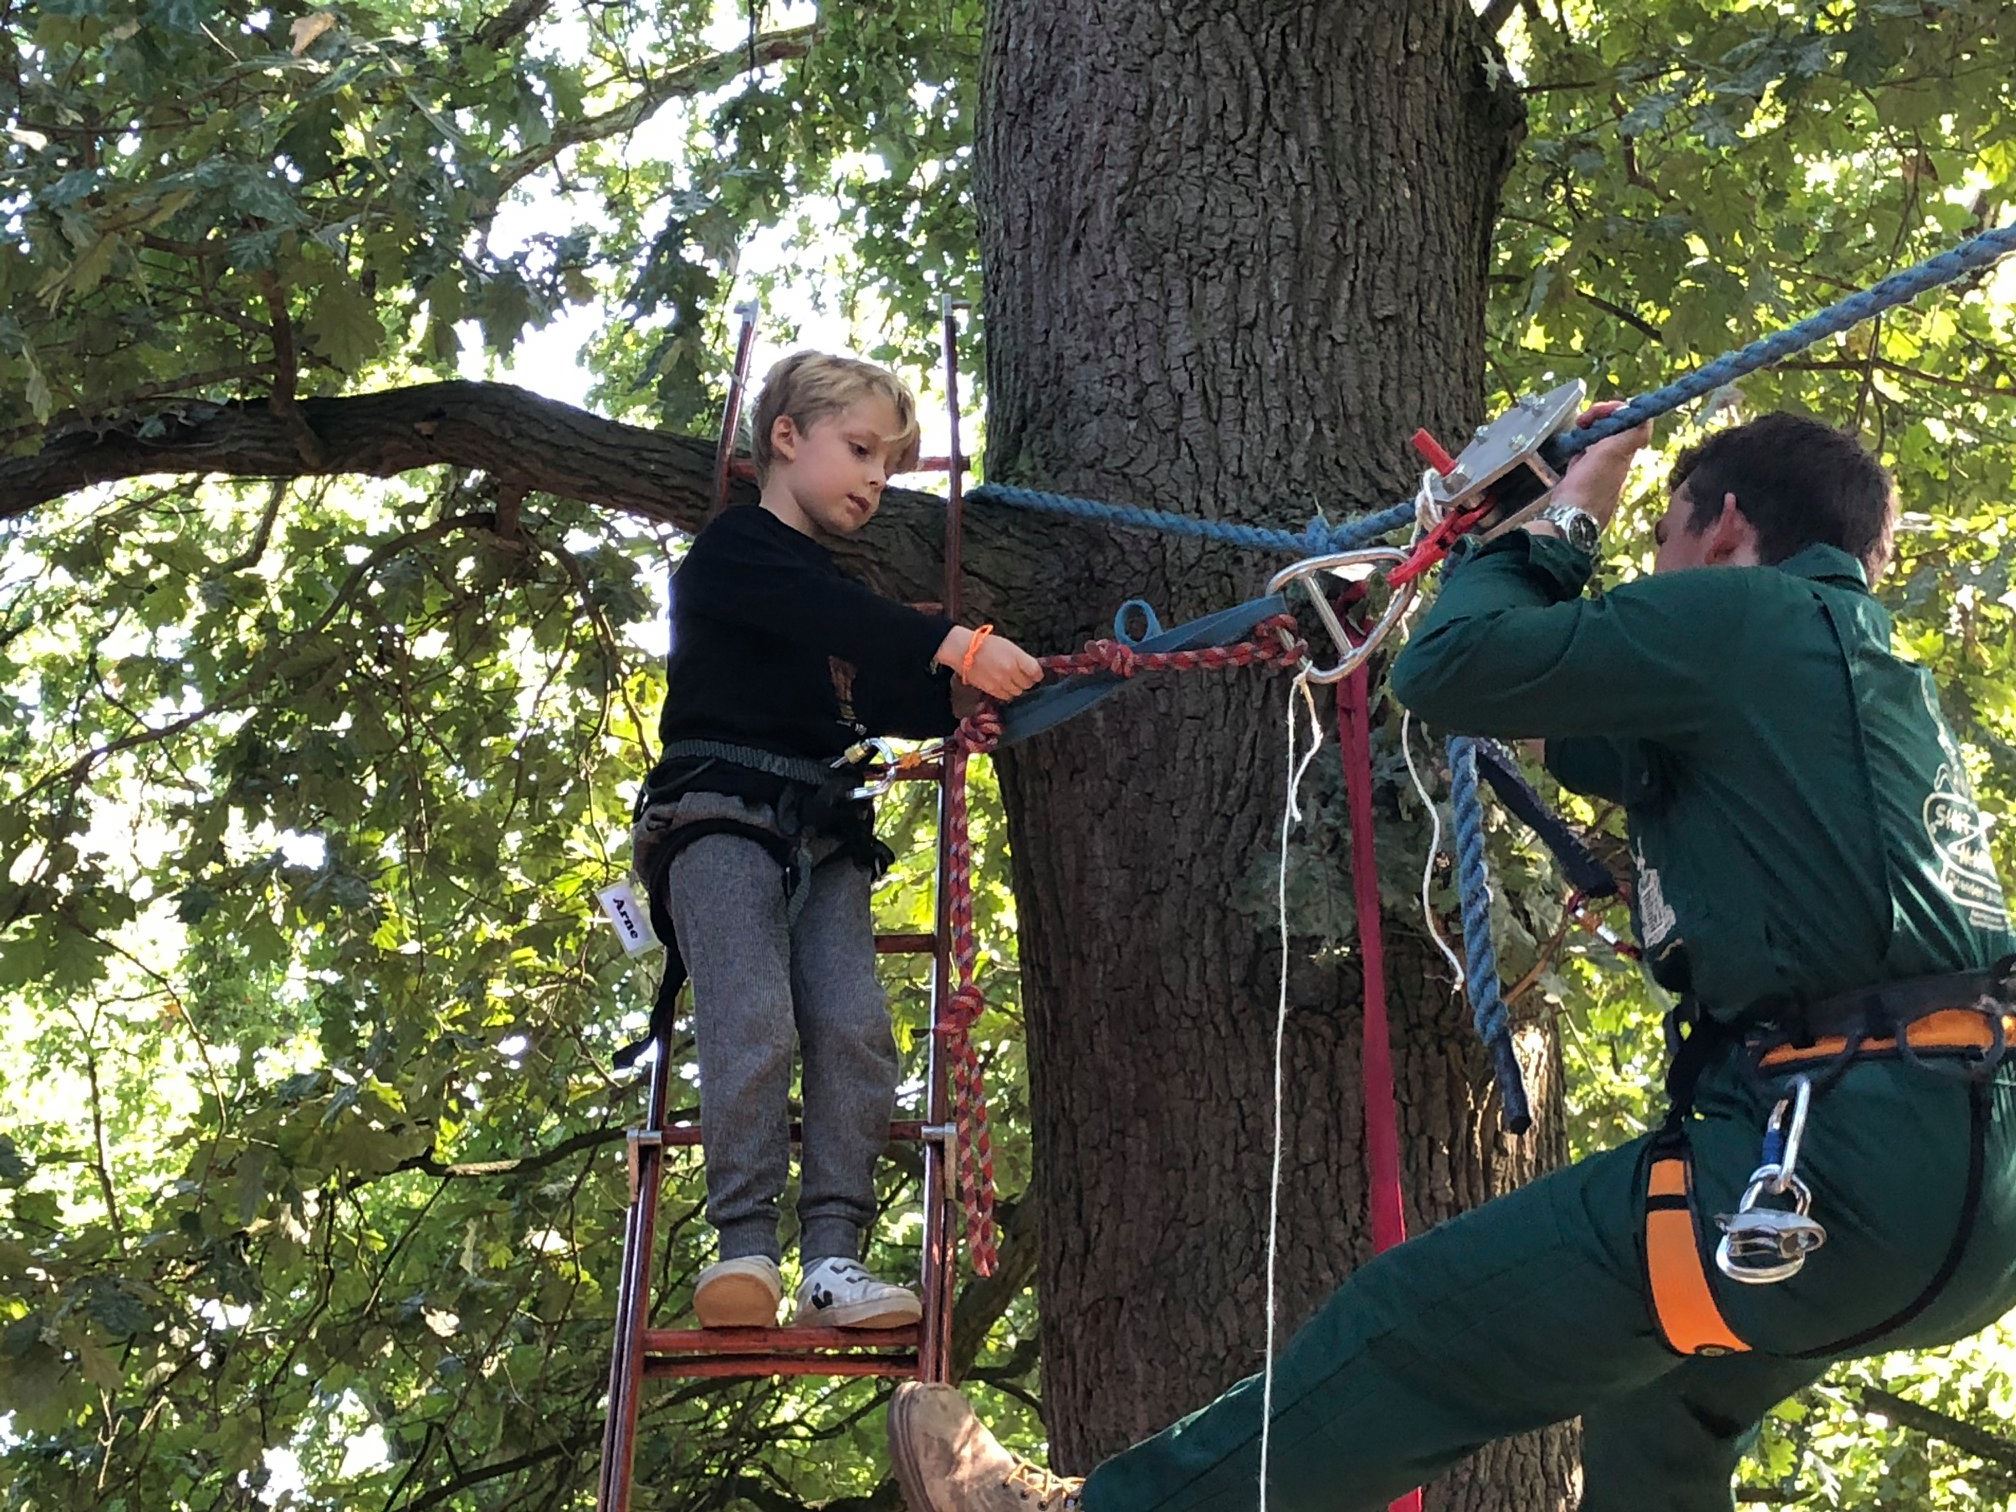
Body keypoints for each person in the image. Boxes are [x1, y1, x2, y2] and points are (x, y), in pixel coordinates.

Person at [886, 404, 2016, 1510]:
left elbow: (1460, 668)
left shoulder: (1750, 616)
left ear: (1721, 529)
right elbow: (1564, 720)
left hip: (1847, 1159)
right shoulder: (1845, 672)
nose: (1658, 571)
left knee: (1422, 1324)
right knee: (1665, 1418)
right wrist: (1489, 542)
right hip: (1960, 1188)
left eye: (1662, 545)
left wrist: (1563, 526)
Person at [632, 352, 1041, 1331]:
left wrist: (972, 690)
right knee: (755, 1017)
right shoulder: (738, 551)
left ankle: (832, 1257)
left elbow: (894, 690)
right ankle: (744, 1248)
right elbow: (831, 614)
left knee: (857, 1027)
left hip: (823, 830)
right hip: (721, 817)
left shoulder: (838, 595)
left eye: (890, 469)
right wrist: (949, 640)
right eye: (859, 451)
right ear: (786, 437)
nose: (873, 481)